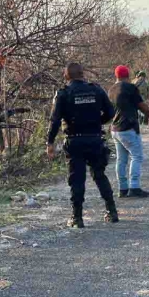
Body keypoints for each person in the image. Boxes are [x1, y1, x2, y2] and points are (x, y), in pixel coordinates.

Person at [46, 63, 118, 228]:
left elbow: (55, 120)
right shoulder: (96, 90)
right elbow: (111, 112)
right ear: (82, 74)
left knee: (77, 179)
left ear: (66, 76)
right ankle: (112, 212)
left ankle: (77, 217)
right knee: (99, 175)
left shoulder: (63, 93)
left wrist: (49, 142)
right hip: (95, 139)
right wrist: (96, 122)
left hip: (74, 140)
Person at [108, 65, 149, 199]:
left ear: (116, 76)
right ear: (127, 76)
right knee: (137, 156)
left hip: (115, 129)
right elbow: (141, 105)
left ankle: (122, 189)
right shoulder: (130, 88)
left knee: (121, 159)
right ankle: (134, 187)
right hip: (128, 128)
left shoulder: (111, 90)